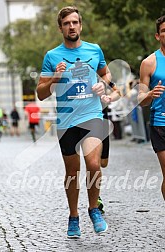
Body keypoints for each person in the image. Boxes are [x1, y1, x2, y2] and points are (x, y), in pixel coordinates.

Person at [36, 6, 119, 238]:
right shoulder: (52, 56)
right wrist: (55, 76)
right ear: (60, 27)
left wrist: (103, 84)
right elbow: (41, 93)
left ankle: (94, 208)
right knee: (72, 172)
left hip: (92, 115)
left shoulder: (94, 50)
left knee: (93, 164)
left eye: (75, 22)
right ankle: (74, 216)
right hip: (67, 121)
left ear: (80, 25)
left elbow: (106, 74)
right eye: (66, 23)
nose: (71, 27)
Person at [138, 15, 165, 200]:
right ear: (158, 36)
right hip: (160, 123)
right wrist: (149, 94)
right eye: (164, 31)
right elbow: (140, 99)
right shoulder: (149, 63)